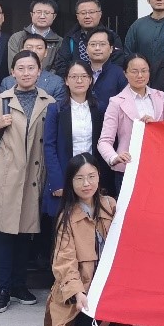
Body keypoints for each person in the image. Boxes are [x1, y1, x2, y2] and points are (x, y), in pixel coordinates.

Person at [0, 50, 56, 314]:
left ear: (39, 71)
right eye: (20, 68)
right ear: (12, 72)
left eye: (31, 68)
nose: (26, 73)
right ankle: (2, 289)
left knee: (25, 234)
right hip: (6, 176)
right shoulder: (0, 101)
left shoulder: (49, 102)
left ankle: (19, 286)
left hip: (34, 175)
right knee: (3, 234)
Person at [45, 153, 126, 326]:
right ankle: (97, 325)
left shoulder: (111, 205)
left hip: (110, 283)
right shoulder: (66, 217)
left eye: (91, 176)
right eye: (79, 178)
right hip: (85, 287)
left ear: (99, 176)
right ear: (71, 182)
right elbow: (64, 262)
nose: (86, 184)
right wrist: (77, 292)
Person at [98, 54, 164, 196]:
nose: (140, 75)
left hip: (158, 166)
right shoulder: (116, 102)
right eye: (134, 71)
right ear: (125, 73)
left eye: (144, 71)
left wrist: (156, 126)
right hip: (128, 169)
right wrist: (114, 157)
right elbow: (104, 141)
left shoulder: (160, 97)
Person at [42, 61, 104, 227]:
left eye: (84, 76)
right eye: (74, 76)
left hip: (91, 177)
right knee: (64, 226)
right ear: (66, 80)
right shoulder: (56, 109)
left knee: (91, 225)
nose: (79, 81)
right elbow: (49, 147)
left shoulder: (99, 108)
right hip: (65, 175)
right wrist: (57, 182)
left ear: (90, 80)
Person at [53, 0, 126, 77]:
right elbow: (61, 65)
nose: (87, 16)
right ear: (77, 16)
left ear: (100, 14)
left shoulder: (112, 37)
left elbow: (118, 63)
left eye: (91, 12)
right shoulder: (70, 38)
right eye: (83, 13)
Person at [0, 34, 65, 98]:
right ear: (22, 51)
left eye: (39, 48)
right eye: (29, 47)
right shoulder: (7, 82)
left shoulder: (57, 82)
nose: (34, 51)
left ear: (45, 53)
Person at [7, 0, 63, 69]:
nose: (42, 16)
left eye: (47, 13)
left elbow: (58, 69)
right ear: (31, 14)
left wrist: (42, 76)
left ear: (54, 16)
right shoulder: (17, 38)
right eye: (38, 12)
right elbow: (13, 67)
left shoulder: (60, 42)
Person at [82, 27, 128, 109]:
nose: (97, 48)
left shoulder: (120, 74)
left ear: (111, 49)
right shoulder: (79, 73)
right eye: (93, 44)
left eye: (102, 44)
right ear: (86, 49)